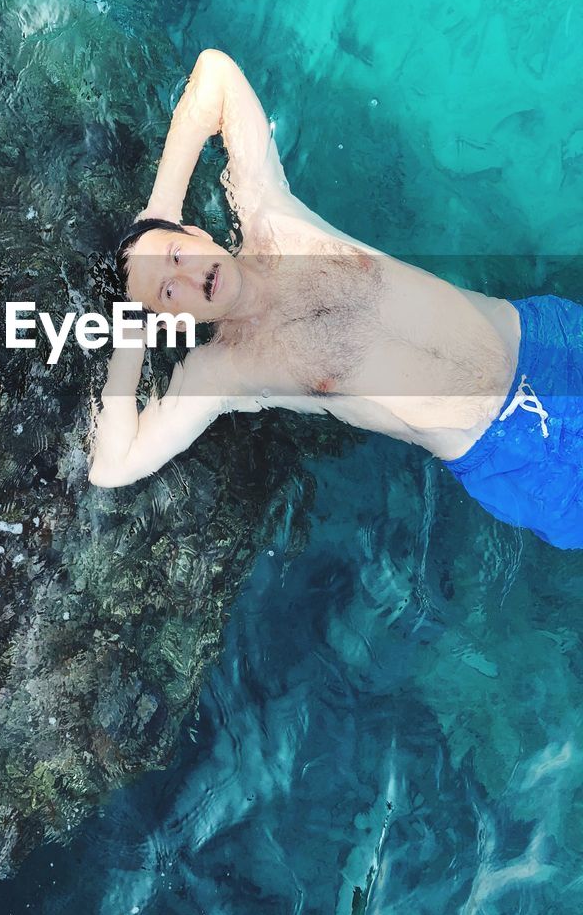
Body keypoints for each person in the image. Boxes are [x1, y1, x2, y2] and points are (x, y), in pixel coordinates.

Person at [88, 49, 583, 549]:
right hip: (516, 460)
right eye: (169, 291)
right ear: (172, 321)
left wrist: (157, 212)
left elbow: (215, 73)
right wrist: (132, 319)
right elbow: (114, 465)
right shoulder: (224, 371)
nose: (190, 275)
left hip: (544, 343)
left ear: (196, 233)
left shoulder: (270, 214)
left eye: (178, 254)